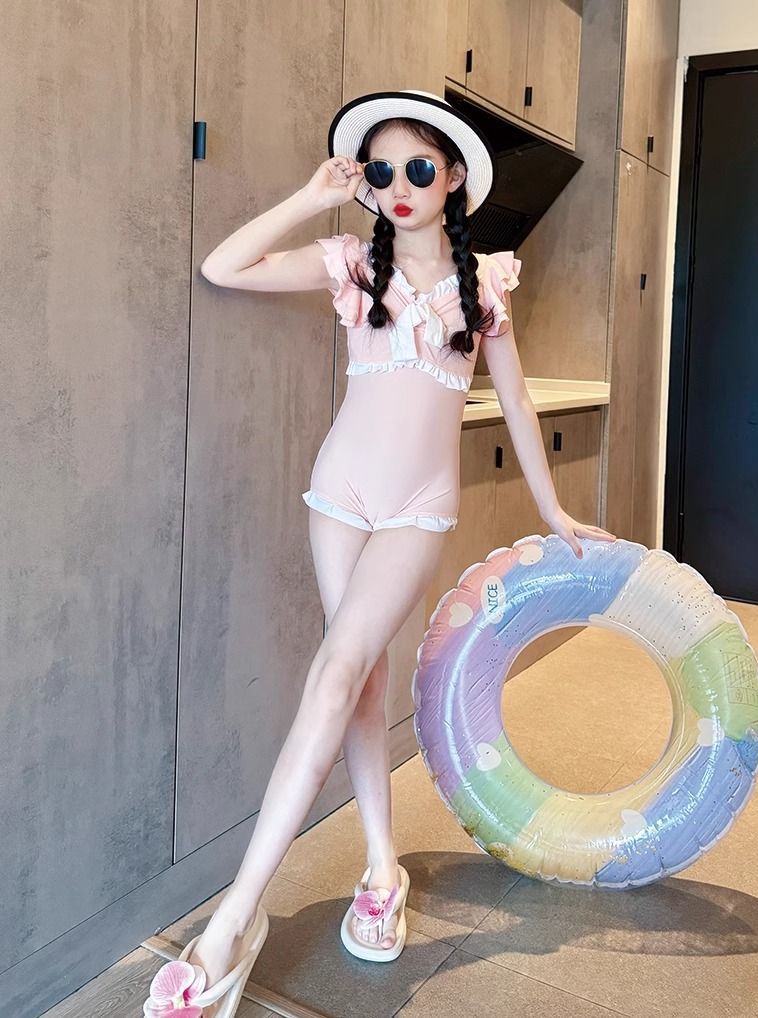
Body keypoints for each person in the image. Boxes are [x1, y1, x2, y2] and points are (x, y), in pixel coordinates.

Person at [143, 89, 617, 1017]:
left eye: (419, 168)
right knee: (356, 681)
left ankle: (232, 923)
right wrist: (313, 196)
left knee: (338, 673)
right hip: (339, 497)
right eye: (383, 170)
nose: (399, 185)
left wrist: (555, 508)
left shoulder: (487, 285)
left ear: (453, 179)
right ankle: (380, 867)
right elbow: (222, 265)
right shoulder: (353, 262)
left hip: (415, 510)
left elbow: (516, 402)